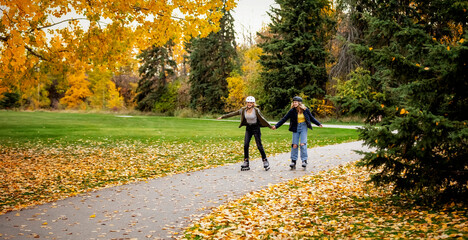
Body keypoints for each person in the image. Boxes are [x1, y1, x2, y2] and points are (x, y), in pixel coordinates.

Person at [217, 96, 273, 171]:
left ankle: (265, 160)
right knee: (246, 145)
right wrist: (223, 117)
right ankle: (246, 161)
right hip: (248, 128)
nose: (249, 104)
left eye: (251, 103)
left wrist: (270, 126)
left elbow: (262, 119)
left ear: (253, 103)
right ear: (246, 103)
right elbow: (234, 113)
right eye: (248, 102)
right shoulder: (243, 110)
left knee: (259, 145)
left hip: (256, 128)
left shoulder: (256, 110)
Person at [272, 96, 323, 169]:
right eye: (293, 102)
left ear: (299, 103)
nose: (294, 103)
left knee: (302, 144)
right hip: (295, 128)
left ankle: (304, 161)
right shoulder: (292, 111)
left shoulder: (305, 110)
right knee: (294, 145)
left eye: (295, 102)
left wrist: (318, 124)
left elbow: (311, 118)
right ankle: (293, 161)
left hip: (303, 127)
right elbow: (284, 119)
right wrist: (276, 126)